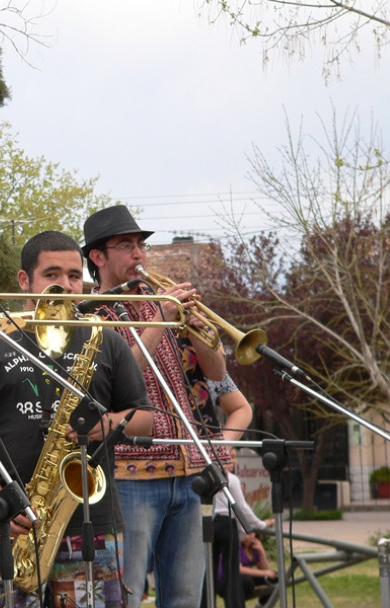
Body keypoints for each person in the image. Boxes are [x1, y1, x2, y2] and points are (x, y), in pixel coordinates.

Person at [0, 230, 152, 608]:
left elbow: (144, 419)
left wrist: (104, 425)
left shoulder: (104, 340)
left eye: (74, 276)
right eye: (52, 275)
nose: (66, 285)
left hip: (93, 528)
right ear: (25, 280)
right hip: (3, 527)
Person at [83, 205, 251, 608]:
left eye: (141, 245)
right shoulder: (89, 315)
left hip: (187, 475)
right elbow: (114, 382)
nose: (139, 254)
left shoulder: (160, 302)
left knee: (184, 598)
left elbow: (216, 373)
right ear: (98, 256)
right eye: (126, 246)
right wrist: (160, 319)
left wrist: (200, 326)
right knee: (125, 596)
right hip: (129, 477)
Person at [212, 442, 273, 608]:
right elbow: (241, 508)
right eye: (231, 457)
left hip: (210, 523)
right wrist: (260, 524)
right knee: (231, 570)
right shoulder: (231, 480)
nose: (235, 462)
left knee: (209, 570)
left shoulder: (207, 477)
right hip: (225, 522)